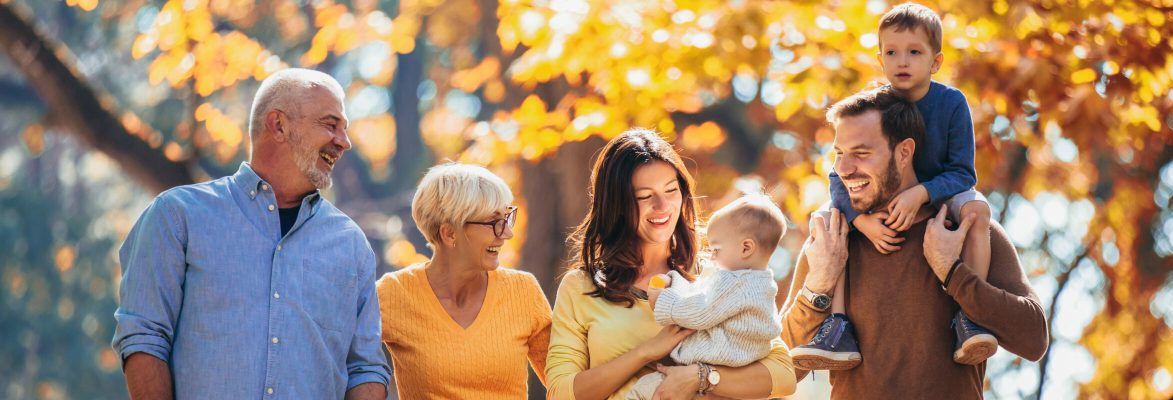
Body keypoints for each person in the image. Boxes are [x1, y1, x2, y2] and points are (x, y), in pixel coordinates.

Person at [112, 68, 390, 399]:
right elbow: (144, 337)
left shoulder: (351, 245)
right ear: (278, 125)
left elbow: (365, 368)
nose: (344, 143)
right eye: (331, 125)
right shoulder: (177, 216)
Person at [781, 86, 1047, 398]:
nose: (844, 169)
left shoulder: (966, 232)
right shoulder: (832, 241)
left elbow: (1033, 340)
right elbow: (779, 369)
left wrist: (953, 272)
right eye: (839, 154)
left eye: (861, 153)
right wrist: (818, 285)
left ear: (904, 152)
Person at [796, 2, 1000, 370]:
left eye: (914, 52)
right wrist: (859, 220)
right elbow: (838, 174)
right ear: (880, 59)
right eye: (891, 52)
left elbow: (963, 173)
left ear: (935, 62)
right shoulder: (876, 105)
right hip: (878, 200)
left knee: (977, 210)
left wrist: (920, 193)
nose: (902, 61)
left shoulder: (951, 103)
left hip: (939, 195)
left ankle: (969, 316)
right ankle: (837, 327)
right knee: (829, 220)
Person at [545, 128, 796, 400]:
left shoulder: (719, 273)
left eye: (671, 190)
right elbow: (560, 393)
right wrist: (647, 352)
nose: (662, 205)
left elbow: (782, 375)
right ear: (615, 204)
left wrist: (701, 377)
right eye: (644, 196)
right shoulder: (581, 287)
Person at [376, 163, 551, 399]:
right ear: (449, 234)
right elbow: (341, 358)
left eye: (506, 218)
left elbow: (567, 385)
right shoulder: (393, 293)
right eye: (493, 222)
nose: (507, 234)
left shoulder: (523, 291)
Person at [626, 194, 788, 400]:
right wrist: (674, 281)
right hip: (732, 375)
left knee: (643, 390)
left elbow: (701, 312)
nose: (712, 256)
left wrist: (664, 303)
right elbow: (702, 292)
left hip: (713, 367)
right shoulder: (760, 284)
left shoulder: (734, 282)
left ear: (746, 248)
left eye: (716, 249)